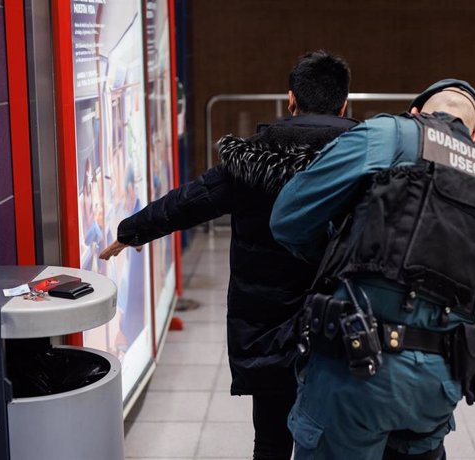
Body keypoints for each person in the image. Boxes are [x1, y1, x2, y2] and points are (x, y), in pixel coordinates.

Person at [270, 79, 475, 459]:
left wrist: (337, 254)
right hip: (440, 381)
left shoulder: (391, 134)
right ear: (474, 135)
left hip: (358, 369)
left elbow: (288, 217)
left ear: (417, 114)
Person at [99, 50, 358, 460]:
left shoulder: (253, 159)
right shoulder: (367, 162)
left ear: (290, 99)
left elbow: (189, 202)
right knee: (340, 441)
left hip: (268, 329)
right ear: (345, 104)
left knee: (271, 440)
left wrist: (131, 231)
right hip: (346, 326)